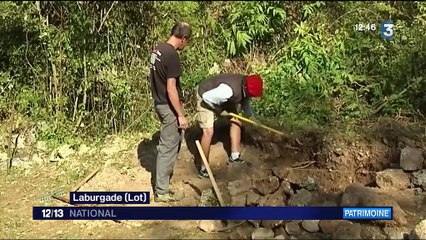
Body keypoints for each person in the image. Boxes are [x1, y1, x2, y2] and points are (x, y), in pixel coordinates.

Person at [149, 22, 191, 202]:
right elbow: (171, 89)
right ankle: (162, 191)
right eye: (187, 42)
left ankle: (163, 185)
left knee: (170, 143)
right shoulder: (172, 55)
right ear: (183, 39)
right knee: (168, 147)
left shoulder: (157, 49)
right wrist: (180, 115)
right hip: (168, 107)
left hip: (159, 102)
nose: (186, 46)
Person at [195, 73, 263, 178]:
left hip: (222, 98)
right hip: (205, 96)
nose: (252, 97)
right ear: (245, 88)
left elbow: (246, 104)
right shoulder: (227, 91)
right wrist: (220, 111)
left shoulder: (244, 88)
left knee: (236, 121)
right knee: (208, 131)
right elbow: (206, 98)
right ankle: (203, 169)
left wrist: (251, 118)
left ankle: (235, 157)